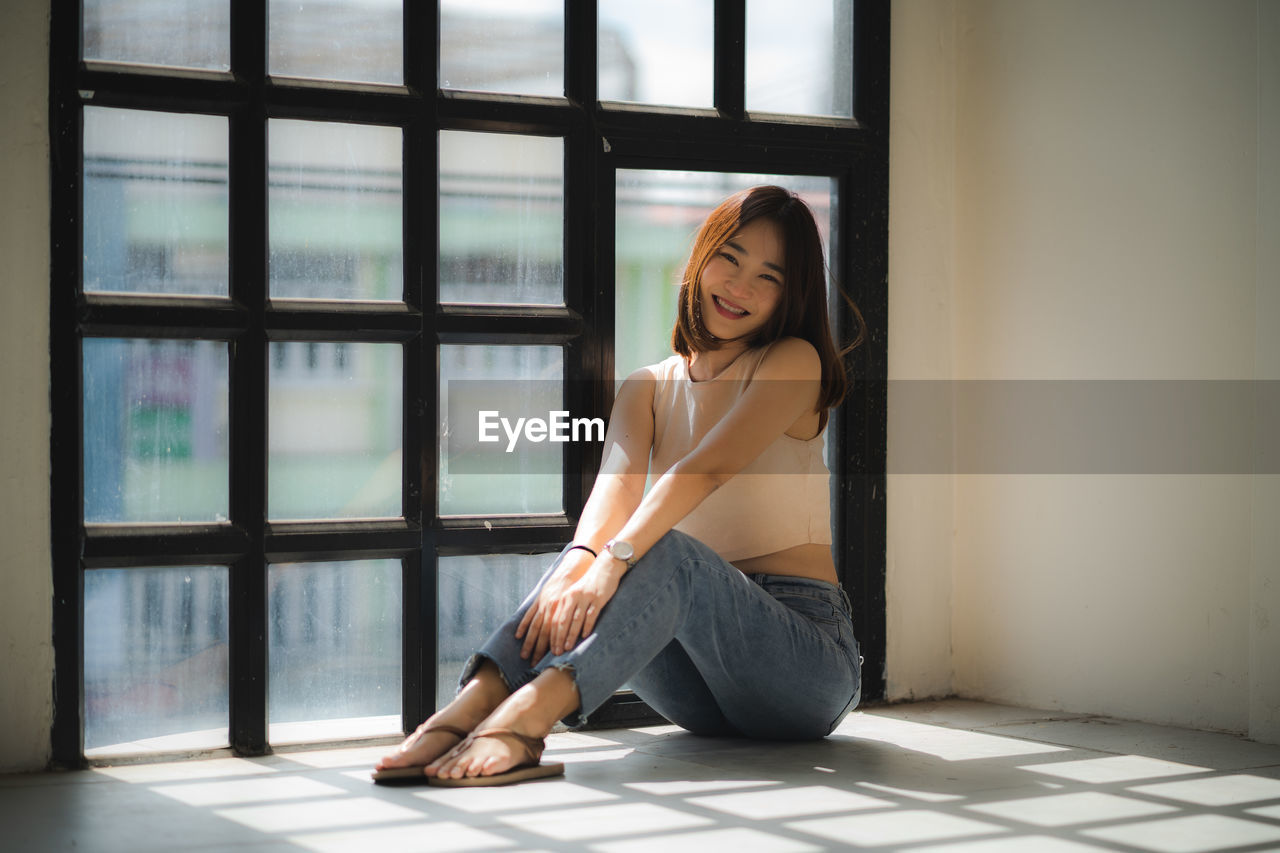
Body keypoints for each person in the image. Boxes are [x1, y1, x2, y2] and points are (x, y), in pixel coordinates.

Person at [374, 185, 865, 787]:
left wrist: (615, 561)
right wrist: (585, 562)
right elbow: (613, 493)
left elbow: (703, 470)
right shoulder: (647, 385)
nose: (739, 286)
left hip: (803, 664)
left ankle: (527, 721)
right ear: (700, 258)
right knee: (587, 557)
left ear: (790, 297)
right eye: (730, 258)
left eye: (769, 277)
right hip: (698, 691)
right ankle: (474, 702)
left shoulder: (792, 360)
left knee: (660, 552)